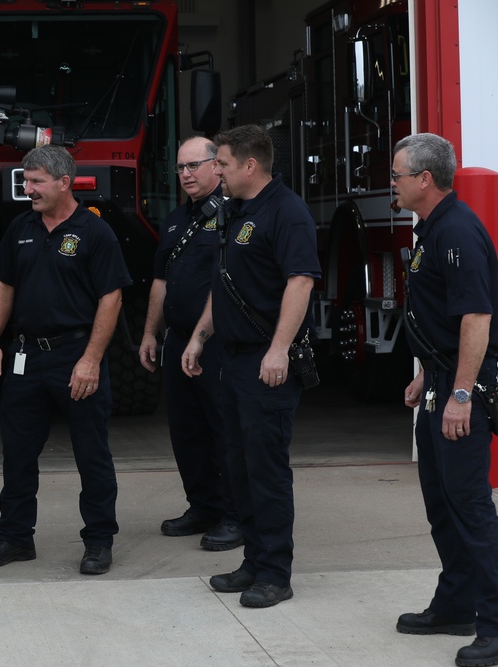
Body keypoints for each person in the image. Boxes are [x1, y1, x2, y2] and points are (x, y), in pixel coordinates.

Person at [0, 144, 131, 575]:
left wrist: (91, 360)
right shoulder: (20, 228)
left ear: (64, 182)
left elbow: (111, 298)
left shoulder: (95, 232)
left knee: (91, 453)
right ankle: (15, 538)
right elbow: (3, 286)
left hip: (75, 357)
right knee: (18, 454)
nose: (29, 189)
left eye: (37, 181)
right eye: (27, 181)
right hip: (25, 357)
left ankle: (99, 541)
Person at [181, 124, 319, 608]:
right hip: (232, 360)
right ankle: (254, 561)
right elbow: (224, 285)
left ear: (249, 165)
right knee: (238, 466)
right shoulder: (233, 211)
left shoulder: (287, 212)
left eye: (220, 163)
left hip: (267, 363)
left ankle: (275, 573)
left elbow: (300, 283)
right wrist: (200, 337)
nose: (214, 170)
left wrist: (279, 349)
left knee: (266, 470)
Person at [393, 133, 498, 667]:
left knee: (469, 506)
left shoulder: (456, 230)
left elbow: (475, 319)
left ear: (424, 180)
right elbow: (436, 316)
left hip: (462, 389)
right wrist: (426, 375)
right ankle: (458, 602)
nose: (391, 184)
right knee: (442, 504)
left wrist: (460, 394)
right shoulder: (430, 229)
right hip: (439, 381)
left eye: (397, 175)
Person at [138, 136, 242, 551]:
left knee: (223, 428)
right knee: (186, 430)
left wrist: (200, 336)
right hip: (177, 339)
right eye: (180, 168)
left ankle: (235, 515)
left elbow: (225, 283)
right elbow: (161, 280)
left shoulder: (233, 216)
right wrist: (149, 331)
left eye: (193, 166)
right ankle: (203, 505)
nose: (185, 175)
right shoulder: (175, 220)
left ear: (218, 167)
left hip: (215, 342)